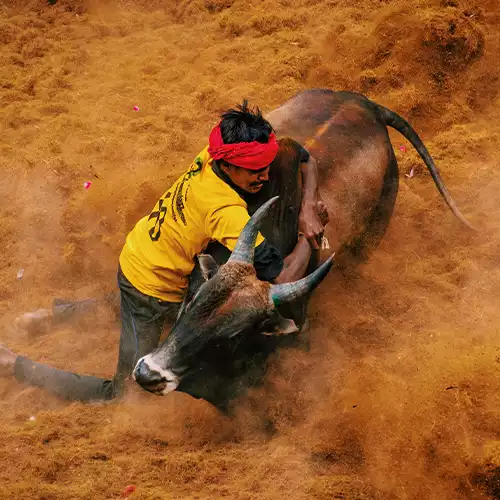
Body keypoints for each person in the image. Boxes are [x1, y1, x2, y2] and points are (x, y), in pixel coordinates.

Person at [0, 101, 329, 403]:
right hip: (149, 284)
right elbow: (283, 274)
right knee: (122, 395)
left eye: (266, 165)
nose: (266, 175)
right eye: (255, 170)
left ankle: (53, 316)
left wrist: (308, 204)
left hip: (151, 253)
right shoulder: (225, 213)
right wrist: (307, 234)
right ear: (227, 165)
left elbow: (301, 154)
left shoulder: (212, 153)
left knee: (154, 303)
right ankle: (14, 363)